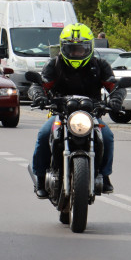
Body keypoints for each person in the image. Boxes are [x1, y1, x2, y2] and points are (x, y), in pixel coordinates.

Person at [29, 23, 125, 197]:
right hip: (61, 113)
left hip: (91, 115)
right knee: (44, 134)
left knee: (108, 137)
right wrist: (38, 95)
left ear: (89, 48)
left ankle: (104, 175)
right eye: (72, 49)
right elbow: (41, 84)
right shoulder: (55, 65)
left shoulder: (100, 65)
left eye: (81, 49)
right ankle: (41, 177)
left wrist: (116, 98)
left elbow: (114, 85)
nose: (76, 53)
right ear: (63, 48)